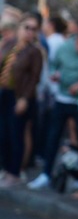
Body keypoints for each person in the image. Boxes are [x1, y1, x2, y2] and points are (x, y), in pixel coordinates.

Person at [28, 29, 78, 190]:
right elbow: (53, 66)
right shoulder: (64, 48)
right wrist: (55, 75)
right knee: (53, 136)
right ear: (76, 42)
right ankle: (46, 173)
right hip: (62, 99)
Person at [0, 13, 44, 188]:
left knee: (15, 134)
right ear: (19, 28)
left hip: (19, 96)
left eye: (34, 29)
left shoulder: (34, 52)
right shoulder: (11, 45)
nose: (29, 32)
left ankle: (14, 172)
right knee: (3, 132)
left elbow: (34, 78)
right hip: (5, 92)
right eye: (27, 27)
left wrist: (24, 98)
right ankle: (5, 168)